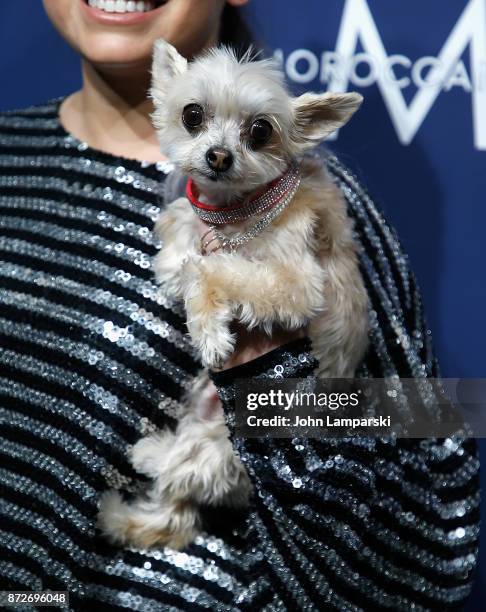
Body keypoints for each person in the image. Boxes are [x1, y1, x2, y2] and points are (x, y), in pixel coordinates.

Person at [0, 1, 479, 610]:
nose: (222, 150)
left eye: (253, 134)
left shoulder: (309, 208)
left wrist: (262, 371)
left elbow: (419, 551)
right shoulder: (8, 152)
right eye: (195, 118)